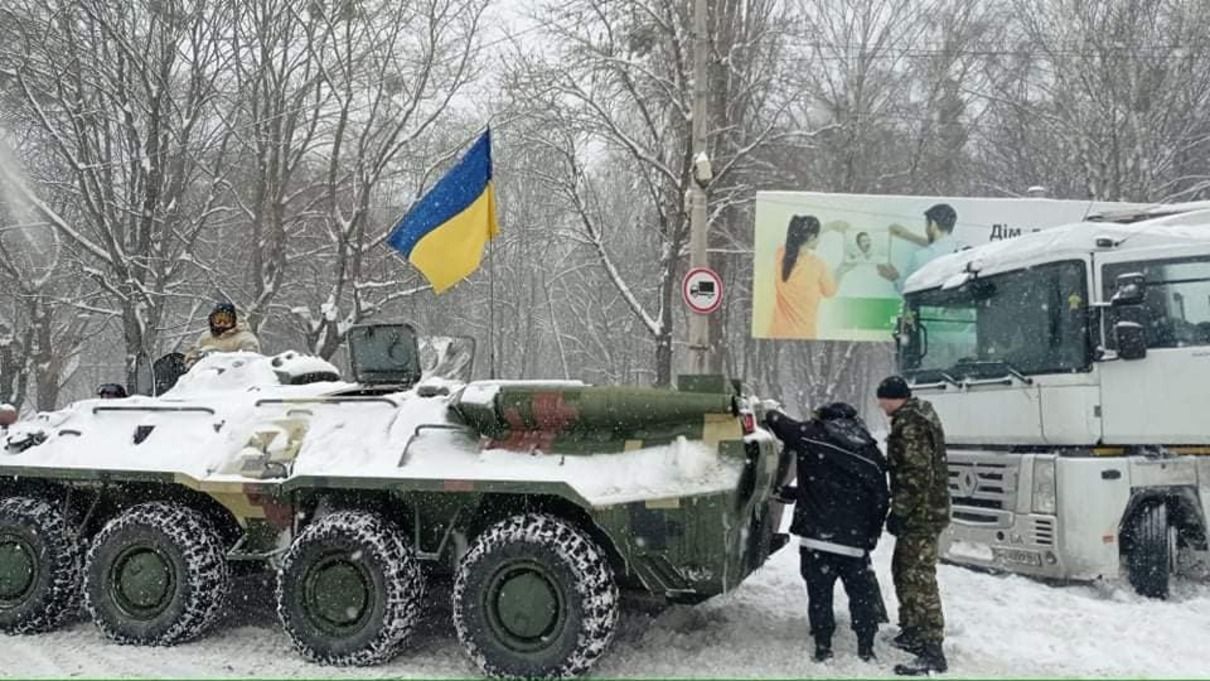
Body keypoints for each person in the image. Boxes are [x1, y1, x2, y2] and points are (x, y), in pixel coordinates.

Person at [764, 401, 890, 663]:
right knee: (860, 596)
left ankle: (823, 647)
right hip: (854, 543)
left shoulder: (812, 436)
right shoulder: (871, 454)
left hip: (816, 539)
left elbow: (779, 422)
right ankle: (866, 647)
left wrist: (766, 410)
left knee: (819, 596)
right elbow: (879, 498)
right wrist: (871, 535)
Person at [876, 376, 951, 676]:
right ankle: (912, 631)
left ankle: (932, 649)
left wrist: (900, 511)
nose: (880, 405)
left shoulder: (910, 424)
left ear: (896, 398)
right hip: (924, 511)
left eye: (883, 399)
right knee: (903, 569)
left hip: (922, 513)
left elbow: (916, 473)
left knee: (919, 577)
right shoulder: (915, 416)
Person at [769, 215, 839, 339]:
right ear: (812, 237)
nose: (820, 239)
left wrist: (829, 226)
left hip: (776, 333)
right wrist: (843, 267)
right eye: (818, 236)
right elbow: (830, 291)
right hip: (804, 336)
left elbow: (799, 239)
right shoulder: (817, 265)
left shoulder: (780, 255)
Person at [878, 203, 963, 291]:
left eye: (926, 224)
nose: (925, 229)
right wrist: (908, 235)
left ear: (933, 224)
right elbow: (942, 247)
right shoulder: (963, 249)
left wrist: (894, 278)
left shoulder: (920, 257)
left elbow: (906, 289)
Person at [185, 302, 261, 366]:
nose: (222, 323)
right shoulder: (206, 337)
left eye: (226, 320)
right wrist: (192, 359)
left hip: (231, 378)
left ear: (233, 320)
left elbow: (250, 360)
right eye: (218, 320)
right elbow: (193, 353)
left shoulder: (245, 338)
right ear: (212, 320)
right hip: (204, 377)